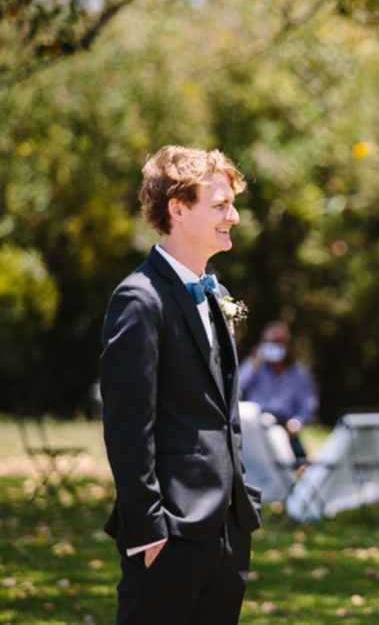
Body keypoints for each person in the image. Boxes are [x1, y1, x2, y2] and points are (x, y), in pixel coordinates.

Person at [99, 146, 261, 624]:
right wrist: (148, 529)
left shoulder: (219, 295)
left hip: (228, 532)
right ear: (177, 208)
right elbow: (128, 424)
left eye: (232, 204)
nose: (232, 215)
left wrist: (241, 507)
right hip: (167, 532)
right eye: (219, 205)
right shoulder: (138, 299)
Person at [239, 321, 319, 464]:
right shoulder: (255, 366)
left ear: (287, 345)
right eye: (270, 343)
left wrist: (296, 423)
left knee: (300, 466)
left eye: (279, 342)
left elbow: (308, 405)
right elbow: (237, 388)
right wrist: (254, 364)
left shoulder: (300, 374)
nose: (274, 346)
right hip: (255, 428)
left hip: (285, 428)